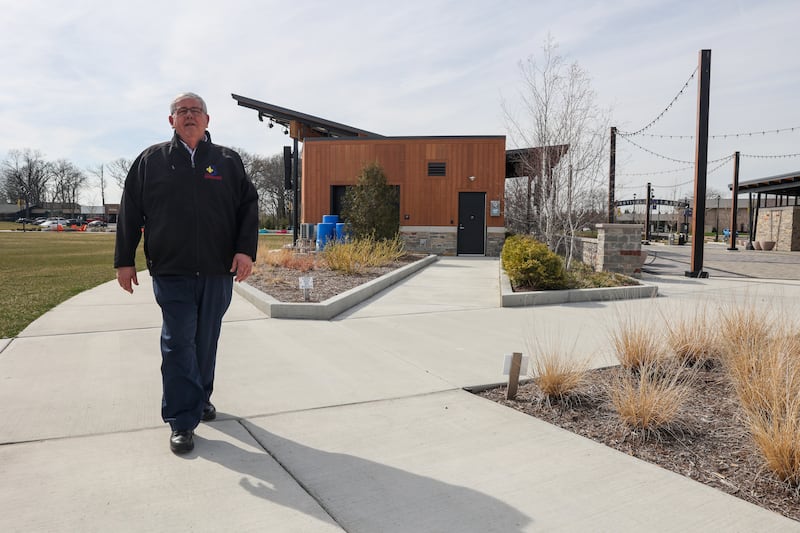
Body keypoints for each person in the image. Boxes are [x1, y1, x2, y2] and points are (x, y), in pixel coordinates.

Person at [114, 92, 258, 454]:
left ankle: (201, 396)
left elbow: (247, 207)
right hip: (171, 269)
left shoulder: (227, 161)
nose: (189, 116)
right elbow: (130, 210)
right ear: (171, 121)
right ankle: (181, 419)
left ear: (208, 120)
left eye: (195, 111)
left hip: (216, 269)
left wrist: (244, 250)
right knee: (179, 341)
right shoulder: (151, 161)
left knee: (205, 340)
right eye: (182, 111)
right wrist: (124, 259)